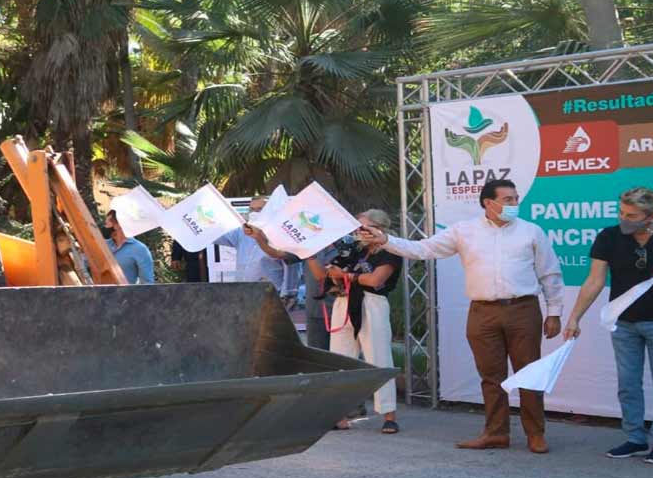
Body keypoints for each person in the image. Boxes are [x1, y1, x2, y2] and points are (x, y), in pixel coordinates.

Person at [361, 179, 563, 453]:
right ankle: (496, 433)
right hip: (482, 312)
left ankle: (535, 434)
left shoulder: (532, 232)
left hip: (523, 310)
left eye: (516, 198)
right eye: (508, 200)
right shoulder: (464, 231)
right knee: (491, 377)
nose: (515, 204)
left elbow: (549, 273)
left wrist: (554, 312)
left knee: (529, 374)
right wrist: (386, 240)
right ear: (488, 203)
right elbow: (423, 249)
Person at [563, 188, 653, 464]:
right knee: (628, 384)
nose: (623, 219)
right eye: (621, 213)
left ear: (651, 216)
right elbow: (594, 281)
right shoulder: (608, 236)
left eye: (631, 215)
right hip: (623, 323)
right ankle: (635, 438)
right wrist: (574, 318)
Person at [303, 210, 402, 434]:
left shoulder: (390, 251)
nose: (358, 231)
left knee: (378, 358)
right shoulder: (353, 250)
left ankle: (389, 415)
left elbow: (376, 279)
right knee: (340, 361)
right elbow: (323, 275)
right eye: (357, 227)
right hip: (343, 302)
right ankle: (339, 415)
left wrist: (347, 276)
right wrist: (307, 253)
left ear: (379, 228)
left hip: (371, 304)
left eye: (363, 227)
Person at [214, 196, 298, 306]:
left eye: (259, 209)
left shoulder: (283, 235)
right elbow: (216, 236)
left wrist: (287, 294)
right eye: (251, 209)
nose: (254, 212)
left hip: (270, 295)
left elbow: (291, 268)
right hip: (242, 292)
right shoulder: (241, 232)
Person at [104, 210, 155, 284]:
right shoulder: (102, 245)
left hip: (126, 294)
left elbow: (147, 282)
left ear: (120, 225)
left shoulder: (139, 249)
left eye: (107, 224)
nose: (105, 228)